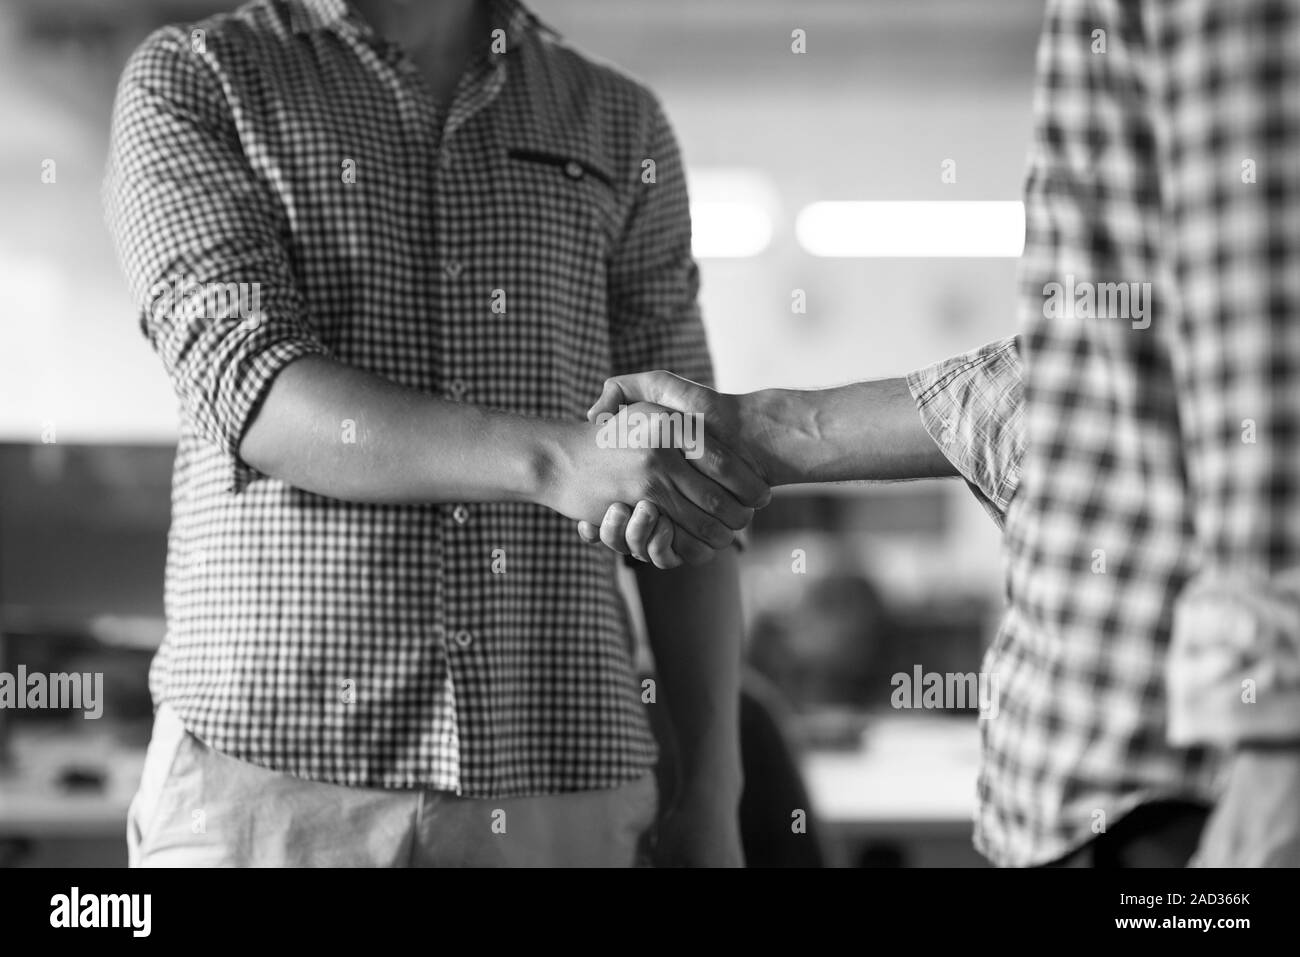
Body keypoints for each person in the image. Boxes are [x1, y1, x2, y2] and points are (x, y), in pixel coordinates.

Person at [584, 0, 1300, 867]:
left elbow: (1267, 328)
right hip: (1107, 799)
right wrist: (758, 429)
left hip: (1178, 806)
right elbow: (1096, 382)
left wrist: (1274, 750)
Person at [103, 0, 767, 867]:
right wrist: (553, 460)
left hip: (557, 769)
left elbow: (687, 477)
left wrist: (715, 796)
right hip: (271, 778)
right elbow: (250, 385)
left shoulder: (619, 121)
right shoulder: (200, 76)